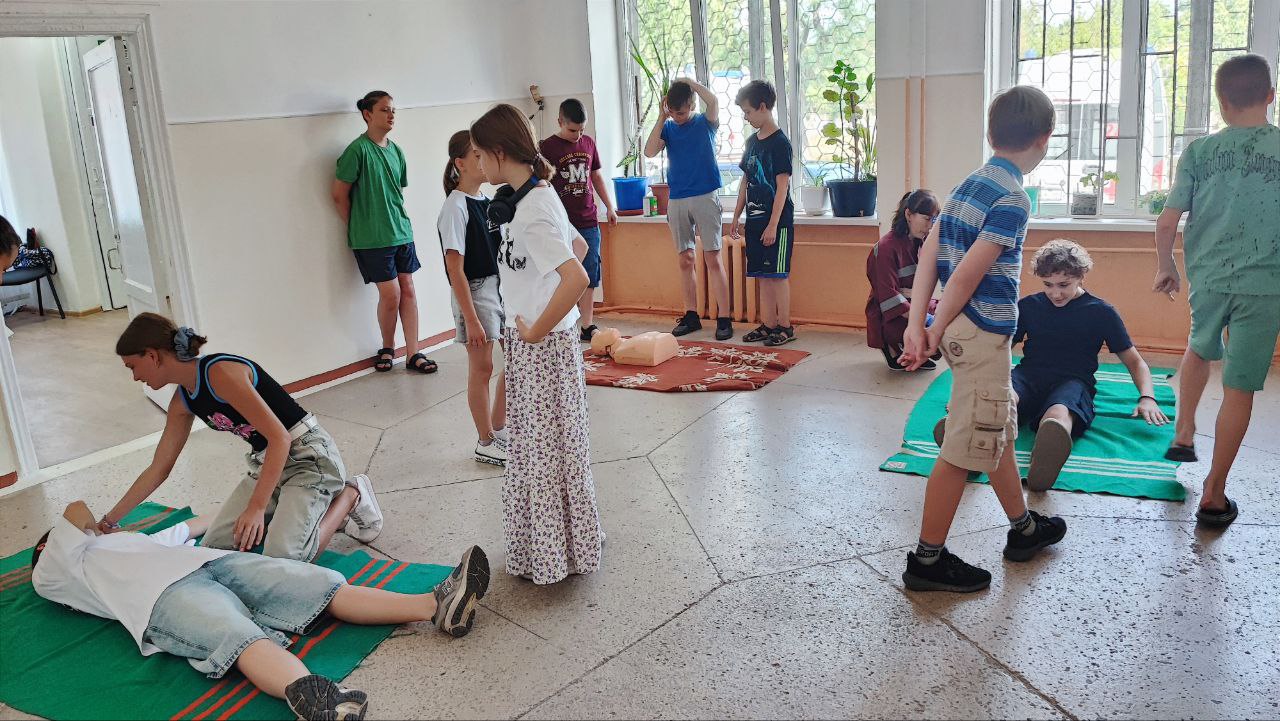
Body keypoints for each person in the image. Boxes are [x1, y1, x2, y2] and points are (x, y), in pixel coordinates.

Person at [32, 501, 488, 721]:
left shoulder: (134, 541)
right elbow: (74, 510)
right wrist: (98, 527)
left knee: (316, 585)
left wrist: (261, 501)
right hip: (161, 599)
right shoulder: (57, 571)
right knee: (236, 634)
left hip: (213, 562)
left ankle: (437, 605)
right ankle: (315, 699)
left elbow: (199, 522)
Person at [898, 86, 1068, 593]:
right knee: (965, 444)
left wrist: (919, 322)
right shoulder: (1013, 198)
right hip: (980, 331)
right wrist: (928, 326)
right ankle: (927, 561)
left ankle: (1023, 527)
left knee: (998, 429)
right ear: (1044, 140)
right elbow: (969, 274)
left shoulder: (970, 184)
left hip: (958, 328)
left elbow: (929, 250)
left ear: (990, 135)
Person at [101, 313, 384, 560]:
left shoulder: (220, 372)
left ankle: (350, 495)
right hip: (268, 465)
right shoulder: (182, 401)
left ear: (152, 355)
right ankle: (287, 510)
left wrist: (256, 507)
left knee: (284, 559)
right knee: (216, 548)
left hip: (307, 458)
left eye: (132, 367)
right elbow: (159, 467)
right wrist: (109, 521)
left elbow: (280, 438)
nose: (135, 377)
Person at [470, 103, 603, 585]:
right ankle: (566, 542)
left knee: (542, 453)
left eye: (480, 157)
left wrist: (536, 329)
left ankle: (551, 554)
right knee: (547, 448)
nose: (479, 167)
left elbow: (577, 275)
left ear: (500, 153)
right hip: (541, 341)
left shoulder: (532, 212)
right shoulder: (537, 198)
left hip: (541, 346)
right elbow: (580, 247)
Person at [1152, 54, 1280, 528]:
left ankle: (1183, 430)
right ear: (1270, 95)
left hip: (1208, 276)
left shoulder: (1199, 152)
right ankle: (1214, 492)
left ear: (1221, 102)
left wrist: (1166, 267)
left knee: (1198, 347)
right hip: (1266, 286)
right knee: (1240, 385)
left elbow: (1168, 222)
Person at [1013, 239, 1169, 491]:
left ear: (1081, 276)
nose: (1055, 293)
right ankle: (973, 431)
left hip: (1072, 381)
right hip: (1028, 375)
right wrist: (977, 389)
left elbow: (1134, 361)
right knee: (1006, 397)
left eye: (1064, 285)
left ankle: (1044, 460)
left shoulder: (1101, 312)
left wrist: (1147, 397)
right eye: (1048, 285)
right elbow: (999, 350)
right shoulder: (1028, 306)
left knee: (1057, 416)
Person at [332, 90, 437, 376]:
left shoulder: (396, 151)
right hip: (372, 240)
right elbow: (339, 195)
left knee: (409, 291)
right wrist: (359, 226)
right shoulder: (357, 151)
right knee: (390, 295)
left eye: (393, 110)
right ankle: (388, 347)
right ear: (367, 114)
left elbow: (396, 193)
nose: (391, 115)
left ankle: (413, 352)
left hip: (401, 232)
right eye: (384, 110)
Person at [438, 129, 510, 467]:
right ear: (460, 163)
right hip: (476, 291)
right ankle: (485, 440)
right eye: (476, 155)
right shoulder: (455, 206)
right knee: (481, 369)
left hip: (498, 287)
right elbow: (455, 268)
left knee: (513, 362)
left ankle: (498, 429)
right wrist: (471, 316)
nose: (483, 161)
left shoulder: (485, 201)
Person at [644, 79, 733, 340]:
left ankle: (724, 318)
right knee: (685, 259)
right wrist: (662, 117)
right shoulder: (669, 128)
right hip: (678, 199)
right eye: (673, 112)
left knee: (713, 257)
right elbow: (649, 151)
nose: (677, 117)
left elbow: (714, 101)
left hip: (705, 196)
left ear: (692, 106)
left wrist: (691, 84)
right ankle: (691, 314)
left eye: (681, 112)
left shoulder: (706, 122)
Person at [539, 98, 619, 342]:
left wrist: (610, 207)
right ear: (560, 122)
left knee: (590, 272)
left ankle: (587, 324)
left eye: (582, 129)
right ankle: (561, 321)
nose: (577, 135)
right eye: (572, 130)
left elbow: (596, 177)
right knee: (561, 273)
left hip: (588, 220)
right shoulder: (547, 148)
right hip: (561, 223)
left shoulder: (588, 143)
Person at [729, 80, 797, 347]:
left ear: (763, 107)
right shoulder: (751, 143)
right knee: (762, 276)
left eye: (748, 112)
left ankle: (785, 326)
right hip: (754, 220)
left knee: (778, 276)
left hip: (776, 224)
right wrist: (736, 215)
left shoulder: (781, 144)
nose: (746, 117)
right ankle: (768, 325)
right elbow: (745, 182)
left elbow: (782, 187)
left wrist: (773, 225)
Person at [866, 190, 941, 370]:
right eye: (926, 219)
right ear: (908, 214)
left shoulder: (920, 242)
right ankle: (891, 345)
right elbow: (890, 298)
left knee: (945, 318)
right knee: (934, 328)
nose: (930, 226)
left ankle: (914, 349)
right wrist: (927, 320)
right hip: (889, 314)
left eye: (934, 220)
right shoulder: (885, 248)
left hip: (912, 303)